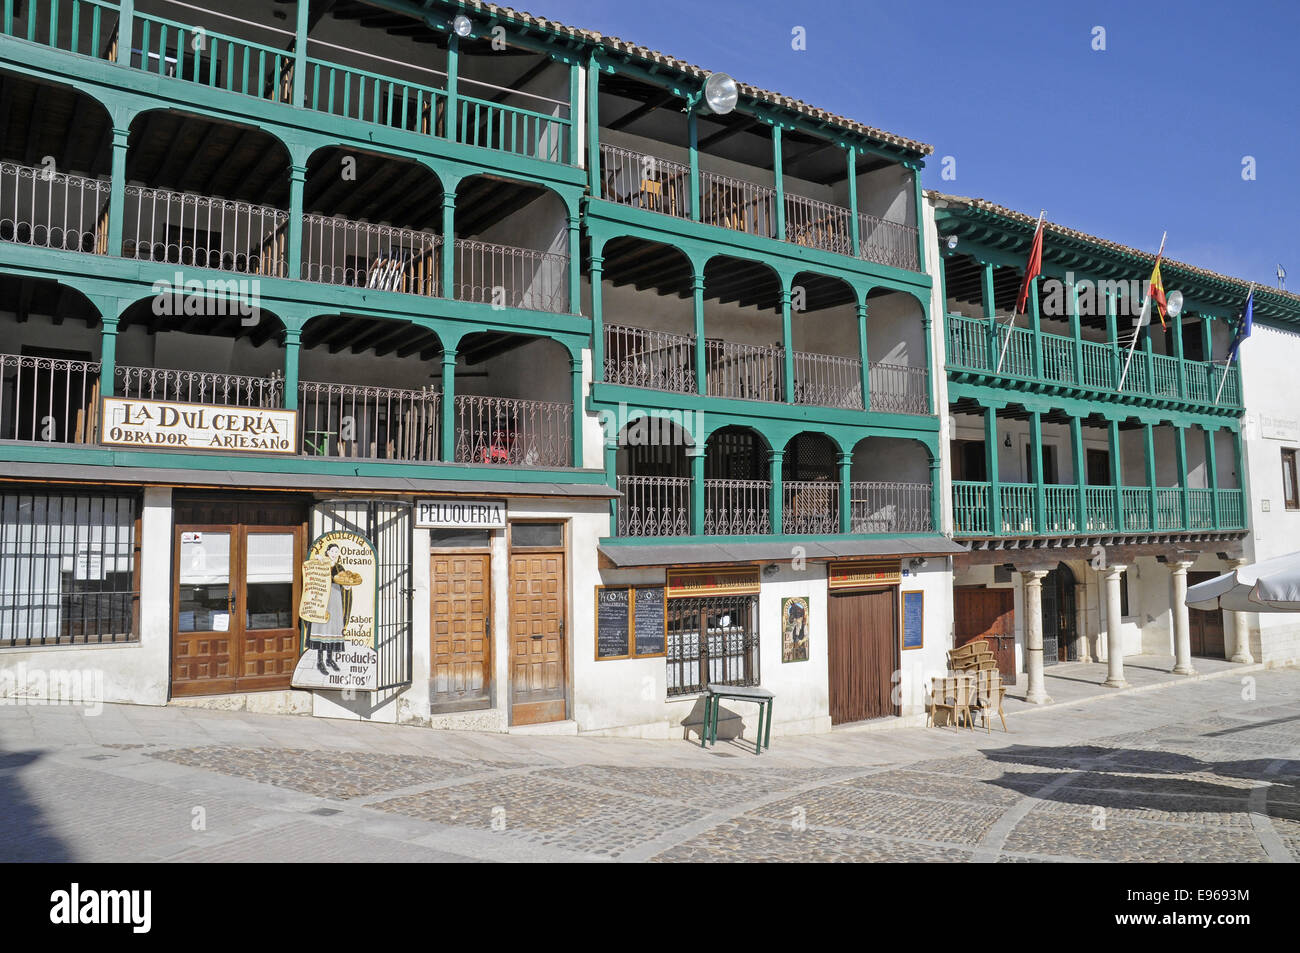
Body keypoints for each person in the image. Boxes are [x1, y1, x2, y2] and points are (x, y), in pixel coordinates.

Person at [307, 543, 351, 675]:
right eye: (332, 551)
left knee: (332, 629)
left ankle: (329, 659)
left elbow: (346, 585)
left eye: (337, 551)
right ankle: (320, 661)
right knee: (322, 628)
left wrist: (348, 585)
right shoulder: (321, 564)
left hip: (336, 600)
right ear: (327, 552)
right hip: (323, 599)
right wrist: (318, 559)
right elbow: (311, 570)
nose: (334, 553)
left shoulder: (340, 568)